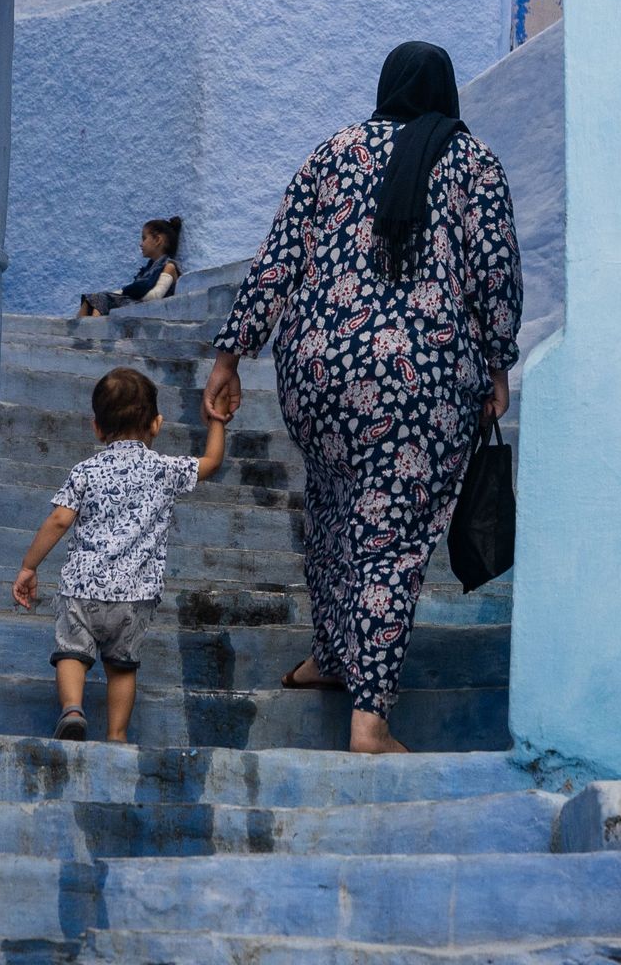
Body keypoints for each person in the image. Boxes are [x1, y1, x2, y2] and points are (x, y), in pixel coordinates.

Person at [201, 41, 521, 755]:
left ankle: (333, 658)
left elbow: (278, 258)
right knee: (392, 539)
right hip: (421, 378)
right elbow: (494, 272)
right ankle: (370, 718)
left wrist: (230, 354)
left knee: (334, 507)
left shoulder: (331, 153)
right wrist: (499, 365)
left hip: (317, 371)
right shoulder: (472, 163)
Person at [12, 365, 226, 742]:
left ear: (97, 428)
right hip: (136, 596)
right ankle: (117, 735)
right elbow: (211, 463)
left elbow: (60, 520)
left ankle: (73, 709)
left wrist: (29, 567)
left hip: (82, 590)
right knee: (122, 668)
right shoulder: (165, 469)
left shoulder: (86, 471)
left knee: (71, 654)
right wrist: (217, 421)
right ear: (157, 425)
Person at [79, 217, 182, 318]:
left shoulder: (169, 266)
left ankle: (93, 330)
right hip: (139, 303)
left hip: (154, 310)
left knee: (102, 298)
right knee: (92, 299)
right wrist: (120, 293)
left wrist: (126, 293)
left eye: (144, 238)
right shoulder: (147, 270)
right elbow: (129, 290)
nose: (141, 244)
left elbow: (154, 296)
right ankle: (82, 331)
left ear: (158, 240)